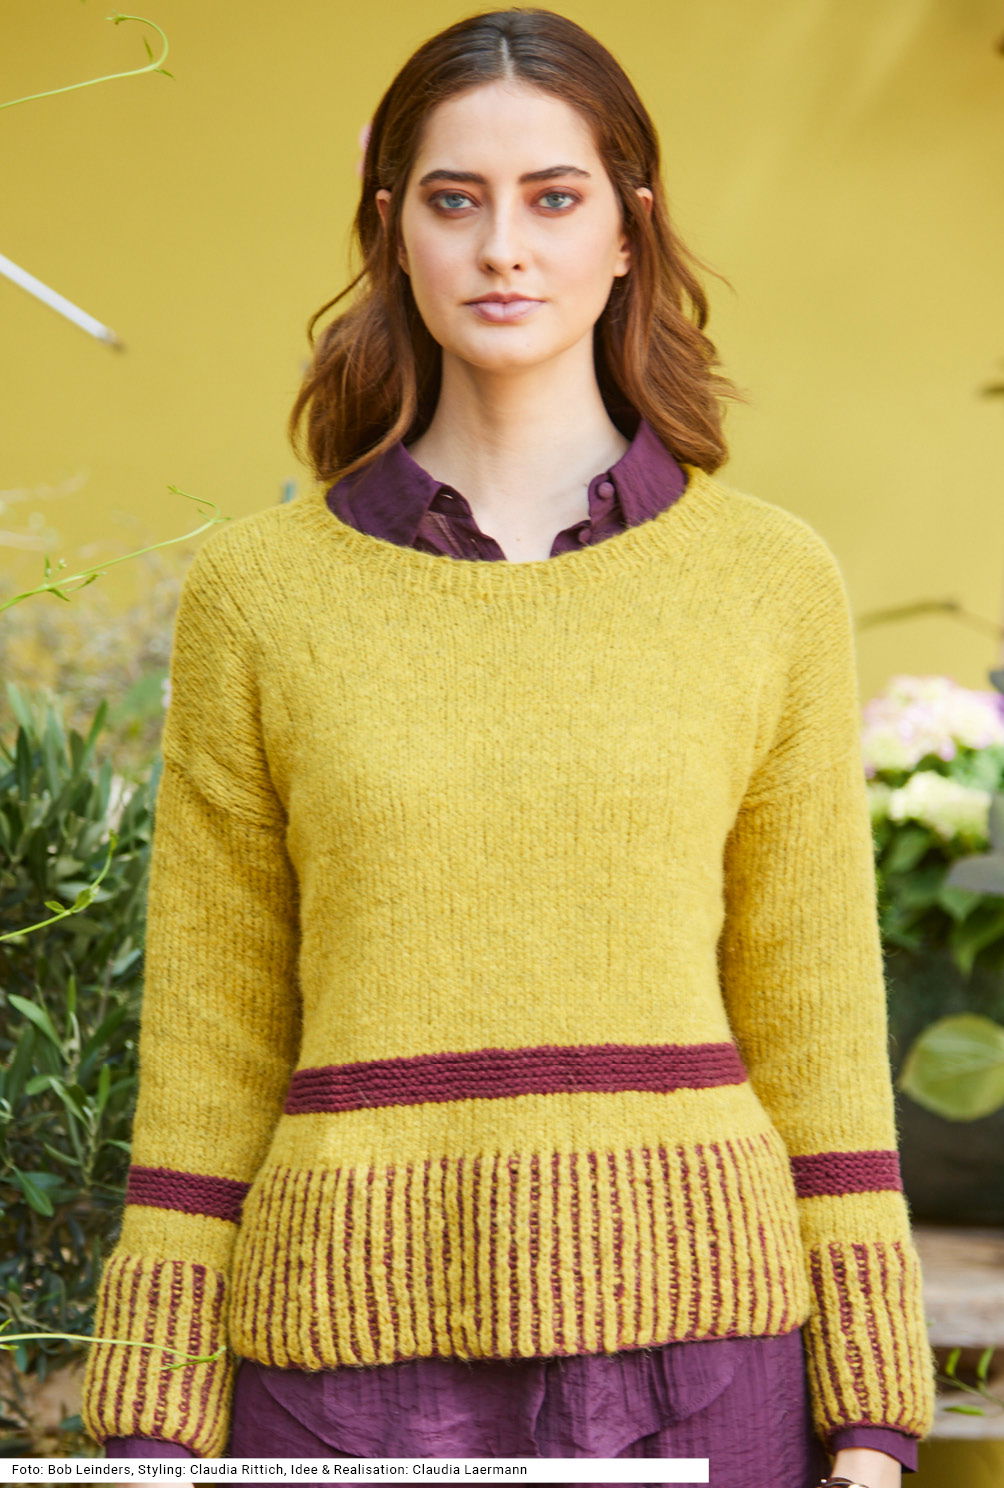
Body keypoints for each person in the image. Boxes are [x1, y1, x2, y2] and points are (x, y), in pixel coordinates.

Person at [81, 8, 935, 1485]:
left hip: (702, 1353)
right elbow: (216, 1032)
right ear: (392, 230)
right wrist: (154, 1412)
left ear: (629, 231)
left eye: (553, 198)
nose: (502, 251)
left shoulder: (767, 582)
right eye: (453, 200)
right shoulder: (260, 595)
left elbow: (813, 1011)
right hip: (338, 1364)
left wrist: (869, 1418)